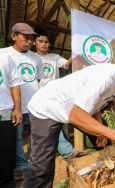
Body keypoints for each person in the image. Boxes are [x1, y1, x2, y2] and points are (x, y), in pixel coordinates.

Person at [24, 43, 115, 187]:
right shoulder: (104, 77)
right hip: (46, 108)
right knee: (42, 165)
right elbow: (76, 115)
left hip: (68, 109)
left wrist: (100, 128)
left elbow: (95, 104)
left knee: (103, 134)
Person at [34, 28, 86, 159]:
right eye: (41, 41)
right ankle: (66, 151)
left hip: (55, 96)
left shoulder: (55, 57)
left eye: (46, 42)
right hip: (37, 96)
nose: (44, 44)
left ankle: (64, 150)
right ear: (35, 42)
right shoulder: (31, 58)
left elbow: (68, 64)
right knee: (49, 124)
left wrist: (76, 50)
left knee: (59, 123)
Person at [0, 23, 43, 180]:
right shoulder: (4, 54)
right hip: (13, 106)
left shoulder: (36, 58)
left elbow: (37, 80)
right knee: (16, 138)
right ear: (13, 36)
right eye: (26, 38)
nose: (30, 42)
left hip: (34, 104)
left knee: (36, 136)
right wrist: (15, 106)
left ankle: (36, 164)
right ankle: (21, 166)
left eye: (32, 39)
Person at [0, 52, 23, 188]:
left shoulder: (4, 56)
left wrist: (17, 108)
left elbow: (15, 84)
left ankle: (7, 183)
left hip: (5, 112)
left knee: (7, 152)